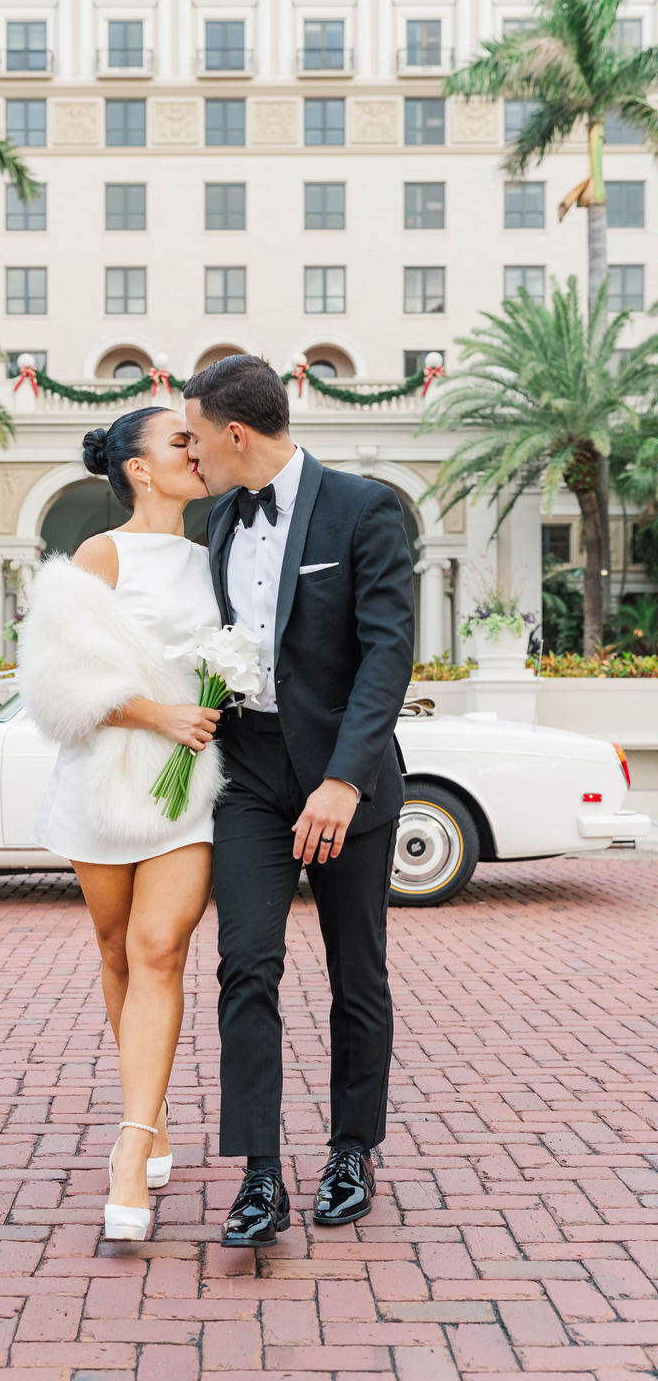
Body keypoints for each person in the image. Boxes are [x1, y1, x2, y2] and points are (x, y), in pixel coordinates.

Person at [182, 354, 415, 1247]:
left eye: (197, 438)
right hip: (249, 775)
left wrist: (344, 780)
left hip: (345, 782)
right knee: (246, 967)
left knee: (358, 974)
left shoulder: (364, 508)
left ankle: (352, 1150)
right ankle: (258, 1175)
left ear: (236, 434)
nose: (191, 455)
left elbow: (388, 653)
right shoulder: (218, 521)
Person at [18, 406, 223, 1242]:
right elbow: (58, 685)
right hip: (103, 784)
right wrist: (159, 716)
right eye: (180, 442)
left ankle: (130, 1149)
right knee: (114, 952)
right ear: (139, 468)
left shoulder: (218, 562)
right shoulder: (99, 557)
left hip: (189, 792)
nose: (196, 450)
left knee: (158, 949)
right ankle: (157, 1110)